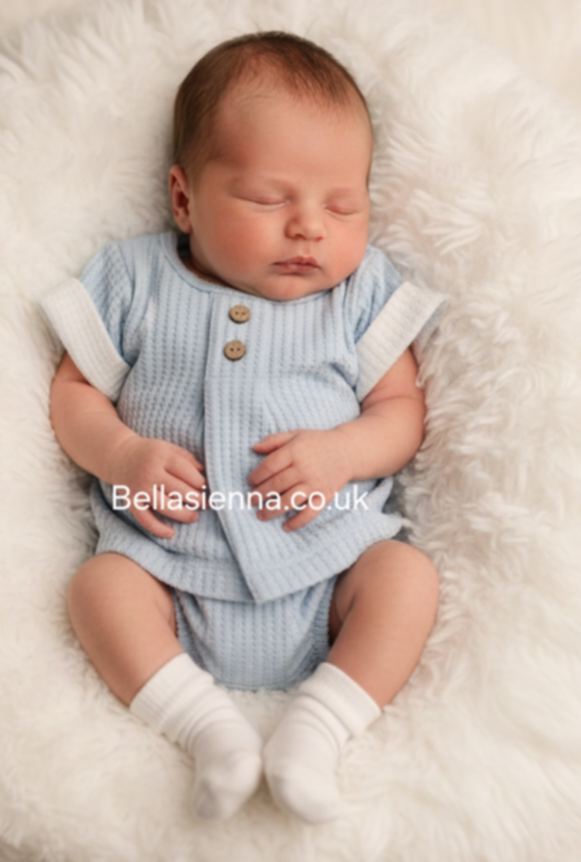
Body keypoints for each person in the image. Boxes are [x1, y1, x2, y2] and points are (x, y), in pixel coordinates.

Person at [39, 31, 448, 824]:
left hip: (328, 566)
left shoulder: (359, 294)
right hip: (166, 565)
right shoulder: (132, 280)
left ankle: (318, 727)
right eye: (267, 199)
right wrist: (121, 453)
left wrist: (343, 452)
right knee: (97, 590)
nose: (309, 227)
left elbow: (403, 411)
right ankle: (207, 729)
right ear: (184, 199)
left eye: (342, 205)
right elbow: (73, 394)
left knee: (406, 579)